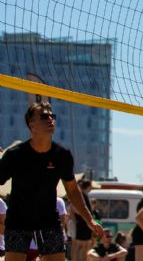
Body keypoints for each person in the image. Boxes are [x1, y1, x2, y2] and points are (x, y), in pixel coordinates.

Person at [0, 102, 102, 261]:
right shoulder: (15, 155)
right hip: (18, 220)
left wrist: (89, 220)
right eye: (44, 116)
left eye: (52, 116)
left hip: (48, 220)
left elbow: (73, 191)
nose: (50, 119)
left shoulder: (62, 155)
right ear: (31, 124)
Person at [72, 180, 97, 261]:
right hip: (83, 223)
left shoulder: (84, 195)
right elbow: (74, 209)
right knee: (78, 245)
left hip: (85, 223)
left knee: (85, 245)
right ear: (88, 186)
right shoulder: (82, 195)